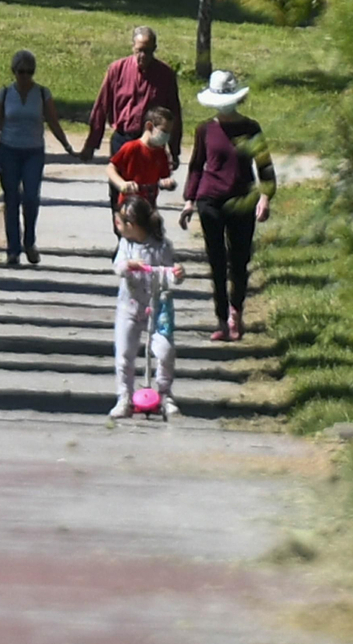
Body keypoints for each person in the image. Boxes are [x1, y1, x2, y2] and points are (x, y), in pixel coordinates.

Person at [180, 70, 275, 342]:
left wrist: (266, 197)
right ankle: (222, 319)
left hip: (242, 200)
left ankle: (237, 311)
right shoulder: (204, 130)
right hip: (210, 201)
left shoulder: (251, 128)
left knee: (239, 259)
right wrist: (189, 200)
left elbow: (264, 165)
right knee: (217, 261)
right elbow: (197, 166)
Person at [0, 49, 77, 265]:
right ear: (14, 71)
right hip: (8, 150)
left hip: (33, 151)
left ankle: (29, 240)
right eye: (21, 72)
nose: (25, 76)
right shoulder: (6, 94)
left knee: (31, 197)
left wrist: (67, 146)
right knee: (11, 198)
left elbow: (53, 121)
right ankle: (13, 249)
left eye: (29, 72)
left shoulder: (42, 93)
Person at [111, 197, 183, 419]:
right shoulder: (126, 244)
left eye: (121, 222)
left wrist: (178, 273)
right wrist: (127, 265)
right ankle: (124, 396)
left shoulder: (162, 246)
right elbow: (118, 267)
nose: (117, 225)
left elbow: (173, 274)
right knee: (124, 354)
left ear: (133, 224)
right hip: (129, 307)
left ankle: (164, 394)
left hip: (158, 308)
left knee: (165, 351)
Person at [80, 26, 183, 166]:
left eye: (148, 51)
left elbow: (174, 114)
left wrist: (174, 150)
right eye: (139, 50)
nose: (143, 56)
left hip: (151, 141)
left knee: (146, 185)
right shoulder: (117, 70)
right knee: (118, 184)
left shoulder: (165, 75)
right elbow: (101, 107)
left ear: (155, 48)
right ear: (133, 47)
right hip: (122, 139)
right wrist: (91, 144)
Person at [105, 106, 176, 210]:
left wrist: (168, 183)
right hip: (129, 205)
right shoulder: (132, 147)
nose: (166, 136)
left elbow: (164, 177)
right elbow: (110, 168)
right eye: (163, 131)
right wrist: (121, 183)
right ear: (149, 126)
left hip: (149, 206)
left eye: (168, 132)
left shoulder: (161, 153)